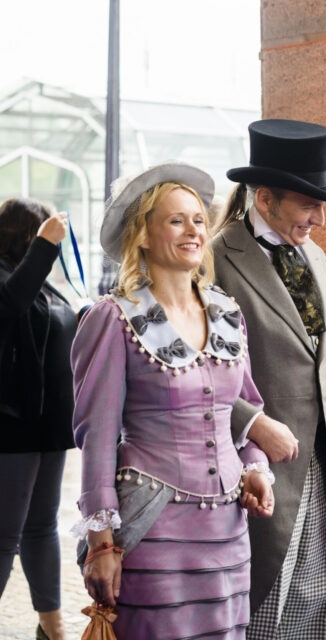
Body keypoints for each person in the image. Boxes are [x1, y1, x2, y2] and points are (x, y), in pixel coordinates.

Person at [71, 162, 275, 639]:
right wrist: (101, 544)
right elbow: (96, 437)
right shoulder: (113, 318)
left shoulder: (228, 312)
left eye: (199, 219)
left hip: (229, 536)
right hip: (154, 532)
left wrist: (256, 470)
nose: (193, 230)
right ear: (142, 235)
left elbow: (243, 415)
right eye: (176, 220)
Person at [212, 118, 326, 638]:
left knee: (310, 594)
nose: (321, 219)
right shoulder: (215, 258)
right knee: (261, 599)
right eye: (309, 203)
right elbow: (197, 369)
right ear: (265, 200)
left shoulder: (317, 258)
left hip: (322, 463)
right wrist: (252, 424)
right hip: (250, 466)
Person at [0, 199, 74, 640]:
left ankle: (53, 627)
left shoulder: (46, 286)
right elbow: (11, 305)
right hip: (11, 425)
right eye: (41, 236)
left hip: (49, 426)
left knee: (43, 526)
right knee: (4, 535)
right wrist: (45, 247)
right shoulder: (11, 281)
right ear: (24, 236)